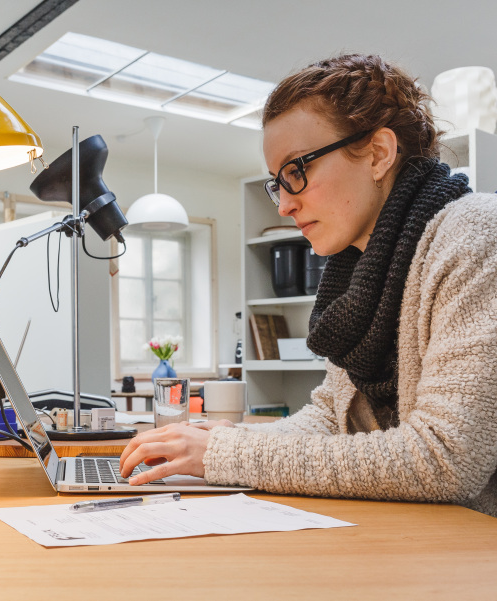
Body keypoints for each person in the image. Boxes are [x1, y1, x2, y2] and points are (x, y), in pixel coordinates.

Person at [120, 54, 497, 517]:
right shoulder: (362, 272)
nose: (284, 206)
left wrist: (226, 455)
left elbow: (446, 459)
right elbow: (328, 419)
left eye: (297, 171)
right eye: (278, 184)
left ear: (378, 154)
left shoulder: (475, 233)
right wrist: (215, 439)